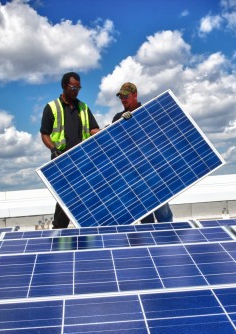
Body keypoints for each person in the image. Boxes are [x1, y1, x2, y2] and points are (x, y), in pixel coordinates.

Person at [40, 72, 100, 229]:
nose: (76, 91)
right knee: (65, 198)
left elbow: (93, 129)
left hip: (83, 159)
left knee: (87, 195)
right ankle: (59, 230)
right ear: (64, 86)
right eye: (74, 87)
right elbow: (44, 133)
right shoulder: (52, 107)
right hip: (62, 160)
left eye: (79, 88)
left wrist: (105, 131)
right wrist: (53, 149)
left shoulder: (83, 107)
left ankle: (89, 229)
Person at [112, 82, 174, 224]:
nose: (123, 100)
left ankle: (170, 239)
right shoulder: (118, 118)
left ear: (135, 95)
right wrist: (122, 123)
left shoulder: (148, 112)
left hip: (154, 171)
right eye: (121, 97)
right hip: (134, 175)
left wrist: (136, 119)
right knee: (145, 217)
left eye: (126, 96)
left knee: (163, 212)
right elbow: (115, 143)